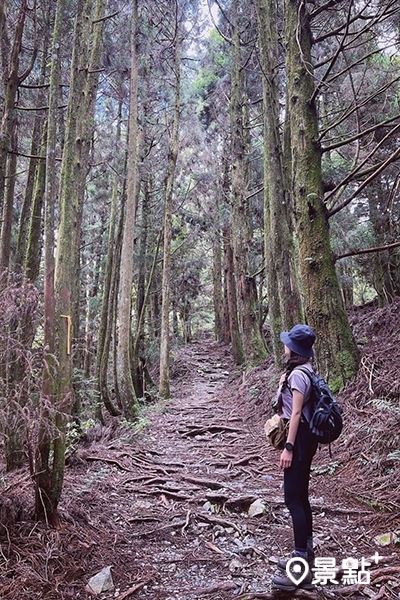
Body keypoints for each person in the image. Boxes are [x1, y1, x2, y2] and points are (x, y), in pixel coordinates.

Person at [271, 324, 318, 592]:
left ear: (295, 350)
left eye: (287, 343)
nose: (284, 346)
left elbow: (297, 414)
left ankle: (300, 566)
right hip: (302, 439)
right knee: (300, 497)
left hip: (298, 440)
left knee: (292, 499)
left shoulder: (299, 376)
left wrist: (288, 447)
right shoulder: (300, 372)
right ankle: (306, 553)